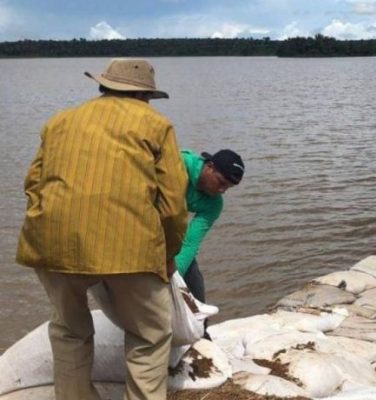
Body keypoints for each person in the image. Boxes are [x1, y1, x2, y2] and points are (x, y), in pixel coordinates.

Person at [16, 59, 188, 400]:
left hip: (50, 243)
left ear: (104, 86)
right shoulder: (156, 124)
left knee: (69, 330)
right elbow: (172, 202)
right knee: (149, 335)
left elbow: (33, 183)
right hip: (129, 246)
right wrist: (168, 254)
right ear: (143, 94)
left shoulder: (60, 121)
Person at [176, 149, 244, 336]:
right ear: (209, 167)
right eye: (221, 183)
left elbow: (190, 243)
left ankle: (201, 330)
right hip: (145, 219)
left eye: (228, 188)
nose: (222, 190)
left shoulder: (214, 204)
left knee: (193, 278)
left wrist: (173, 278)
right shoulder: (177, 166)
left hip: (172, 231)